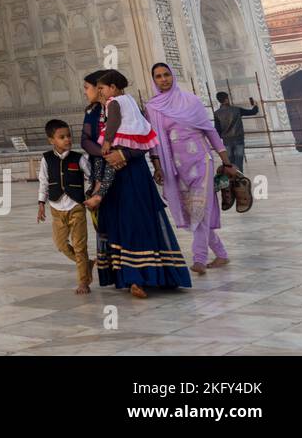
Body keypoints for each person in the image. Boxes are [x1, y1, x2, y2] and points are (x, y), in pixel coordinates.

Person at [88, 69, 191, 297]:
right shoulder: (110, 111)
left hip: (131, 173)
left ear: (111, 88)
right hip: (116, 176)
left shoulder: (117, 105)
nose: (96, 92)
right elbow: (99, 150)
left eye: (98, 87)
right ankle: (133, 276)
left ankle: (141, 277)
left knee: (137, 221)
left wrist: (122, 154)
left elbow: (140, 142)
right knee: (123, 223)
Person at [149, 64, 240, 274]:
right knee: (193, 212)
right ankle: (221, 254)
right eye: (158, 77)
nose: (163, 79)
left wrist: (226, 162)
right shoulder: (153, 107)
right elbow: (154, 141)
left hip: (201, 162)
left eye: (166, 75)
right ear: (154, 80)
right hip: (176, 167)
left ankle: (199, 258)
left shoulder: (191, 101)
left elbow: (210, 132)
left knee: (201, 209)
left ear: (173, 76)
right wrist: (157, 166)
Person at [84, 70, 158, 210]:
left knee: (107, 163)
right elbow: (85, 141)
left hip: (131, 166)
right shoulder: (128, 99)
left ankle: (99, 191)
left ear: (112, 87)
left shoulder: (113, 102)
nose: (100, 92)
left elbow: (113, 121)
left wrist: (110, 145)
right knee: (102, 158)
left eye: (101, 88)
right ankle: (98, 185)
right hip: (131, 140)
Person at [37, 119, 93, 294]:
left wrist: (91, 194)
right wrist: (41, 204)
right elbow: (43, 182)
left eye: (69, 136)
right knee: (61, 244)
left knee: (79, 244)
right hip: (56, 207)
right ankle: (85, 263)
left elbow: (91, 177)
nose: (67, 140)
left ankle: (83, 281)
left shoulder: (79, 158)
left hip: (76, 206)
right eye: (62, 137)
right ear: (51, 140)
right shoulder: (46, 159)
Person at [213, 91, 259, 173]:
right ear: (226, 99)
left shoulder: (217, 113)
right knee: (238, 163)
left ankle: (231, 180)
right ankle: (239, 180)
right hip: (239, 139)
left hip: (226, 141)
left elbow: (217, 130)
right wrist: (255, 105)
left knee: (229, 163)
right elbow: (253, 112)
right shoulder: (237, 110)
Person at [78, 71, 106, 205]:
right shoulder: (92, 111)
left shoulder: (120, 107)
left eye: (86, 88)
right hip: (100, 165)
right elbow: (85, 140)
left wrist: (121, 155)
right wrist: (105, 153)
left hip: (124, 168)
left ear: (98, 88)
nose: (85, 92)